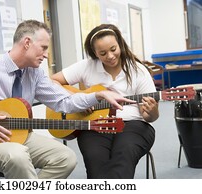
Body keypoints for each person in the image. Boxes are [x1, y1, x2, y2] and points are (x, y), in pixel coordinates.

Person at [0, 20, 134, 179]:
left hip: (20, 137)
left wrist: (97, 95)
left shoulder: (35, 74)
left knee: (65, 158)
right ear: (27, 43)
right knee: (17, 156)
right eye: (44, 48)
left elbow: (64, 102)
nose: (46, 55)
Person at [51, 23, 159, 179]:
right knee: (95, 159)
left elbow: (150, 117)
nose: (109, 56)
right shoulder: (87, 66)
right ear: (95, 53)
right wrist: (76, 100)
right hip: (96, 124)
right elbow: (52, 82)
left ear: (120, 44)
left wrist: (153, 111)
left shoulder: (138, 70)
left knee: (124, 154)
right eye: (102, 53)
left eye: (113, 49)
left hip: (134, 124)